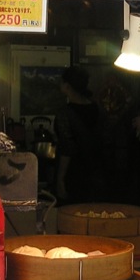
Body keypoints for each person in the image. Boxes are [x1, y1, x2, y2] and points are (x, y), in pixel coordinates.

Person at [54, 67, 105, 204]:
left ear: (67, 86)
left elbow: (67, 148)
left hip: (74, 175)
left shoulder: (65, 114)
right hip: (97, 173)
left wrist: (60, 178)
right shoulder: (98, 109)